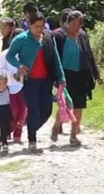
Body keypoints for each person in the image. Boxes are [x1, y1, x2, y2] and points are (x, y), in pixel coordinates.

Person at [6, 11, 65, 152]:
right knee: (33, 110)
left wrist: (61, 77)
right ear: (29, 25)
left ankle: (31, 129)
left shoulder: (48, 38)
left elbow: (56, 58)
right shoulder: (21, 39)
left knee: (46, 111)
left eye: (41, 26)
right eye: (36, 26)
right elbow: (9, 56)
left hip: (46, 81)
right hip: (29, 81)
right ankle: (32, 139)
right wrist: (19, 65)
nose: (39, 29)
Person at [51, 10, 101, 146]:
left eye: (79, 24)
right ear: (67, 23)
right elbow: (53, 57)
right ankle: (56, 126)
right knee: (66, 103)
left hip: (81, 75)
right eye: (73, 24)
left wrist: (96, 74)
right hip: (65, 75)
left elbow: (89, 54)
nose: (76, 27)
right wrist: (55, 77)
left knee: (79, 105)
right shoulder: (58, 36)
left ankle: (73, 136)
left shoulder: (83, 36)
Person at [0, 48, 27, 143]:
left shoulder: (24, 52)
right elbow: (1, 70)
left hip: (23, 85)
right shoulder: (5, 54)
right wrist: (12, 75)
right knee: (12, 110)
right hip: (9, 86)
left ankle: (18, 134)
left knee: (23, 110)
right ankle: (7, 131)